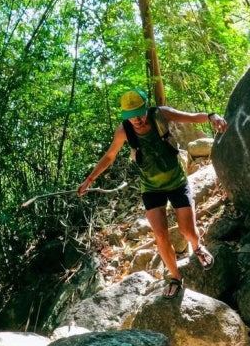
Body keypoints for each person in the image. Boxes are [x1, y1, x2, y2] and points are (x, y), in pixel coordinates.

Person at [78, 88, 227, 298]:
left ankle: (197, 247)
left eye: (139, 114)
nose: (136, 120)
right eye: (131, 117)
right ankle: (175, 277)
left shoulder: (160, 114)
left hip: (176, 182)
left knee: (187, 231)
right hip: (151, 188)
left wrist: (212, 116)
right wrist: (89, 179)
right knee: (160, 234)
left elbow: (191, 117)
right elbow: (110, 156)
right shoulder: (124, 130)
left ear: (146, 108)